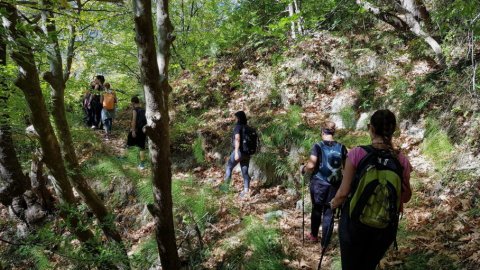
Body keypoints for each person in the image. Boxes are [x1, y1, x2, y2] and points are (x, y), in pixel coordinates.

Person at [330, 109, 412, 270]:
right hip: (384, 226)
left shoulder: (356, 154)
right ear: (393, 130)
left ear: (371, 128)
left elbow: (343, 193)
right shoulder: (401, 160)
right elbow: (406, 197)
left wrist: (333, 204)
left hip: (354, 225)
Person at [300, 121, 347, 243]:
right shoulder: (341, 147)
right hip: (335, 185)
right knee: (329, 212)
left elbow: (311, 166)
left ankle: (314, 236)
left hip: (319, 183)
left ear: (322, 132)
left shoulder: (318, 146)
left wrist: (303, 169)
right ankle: (325, 243)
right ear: (334, 132)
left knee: (317, 208)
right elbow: (346, 169)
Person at [223, 111, 251, 198]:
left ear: (238, 118)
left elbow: (237, 139)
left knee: (229, 167)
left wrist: (235, 152)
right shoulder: (248, 127)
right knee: (245, 172)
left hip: (239, 152)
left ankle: (225, 188)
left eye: (236, 118)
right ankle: (246, 191)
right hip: (247, 153)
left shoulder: (237, 127)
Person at [126, 96, 147, 170]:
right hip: (143, 130)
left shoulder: (135, 110)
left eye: (131, 103)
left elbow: (134, 120)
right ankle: (142, 164)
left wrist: (133, 130)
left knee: (129, 143)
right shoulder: (143, 109)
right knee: (142, 147)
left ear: (133, 102)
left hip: (137, 130)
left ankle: (128, 159)